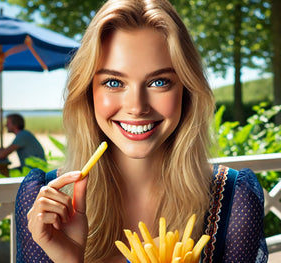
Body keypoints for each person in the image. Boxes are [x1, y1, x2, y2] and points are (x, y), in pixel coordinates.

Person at [17, 0, 268, 262]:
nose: (137, 107)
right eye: (114, 82)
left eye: (159, 82)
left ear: (187, 90)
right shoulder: (43, 203)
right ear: (88, 93)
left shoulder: (234, 199)